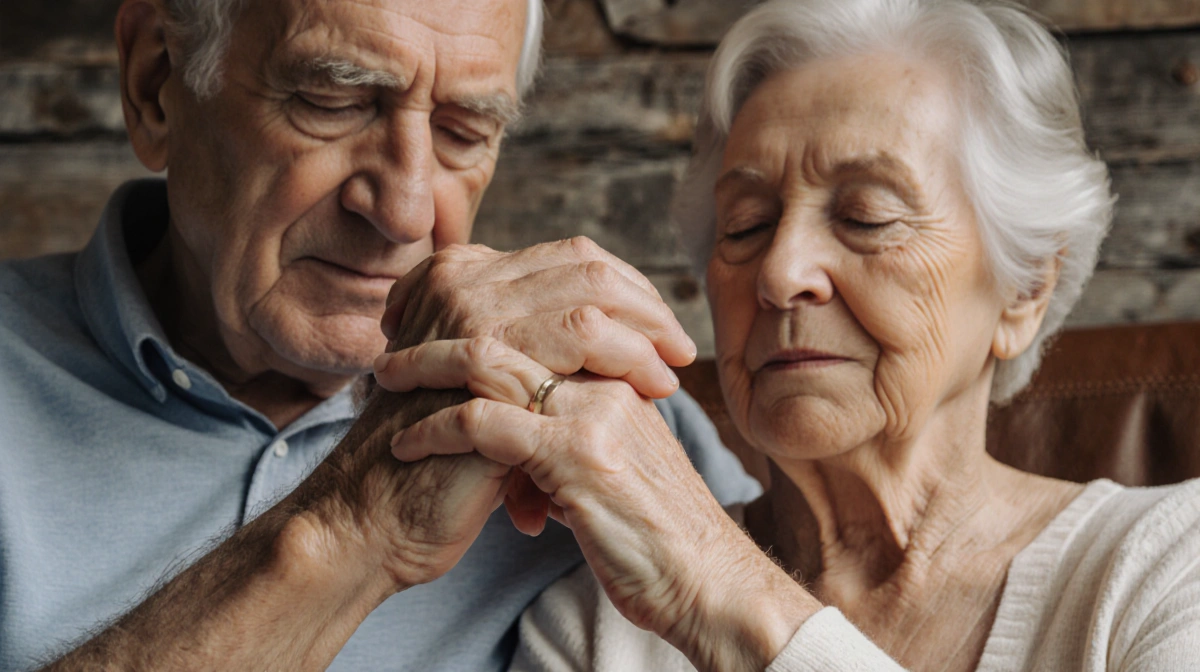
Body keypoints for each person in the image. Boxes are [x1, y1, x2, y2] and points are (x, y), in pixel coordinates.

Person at [373, 0, 1200, 669]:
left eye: (866, 215)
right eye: (746, 225)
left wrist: (726, 597)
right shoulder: (602, 625)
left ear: (1024, 289)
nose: (780, 272)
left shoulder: (1165, 571)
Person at [0, 0, 760, 670]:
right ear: (154, 82)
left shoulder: (595, 423)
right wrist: (351, 530)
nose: (405, 210)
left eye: (464, 131)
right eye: (333, 101)